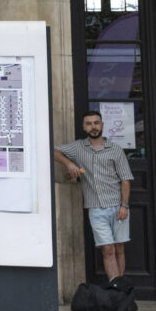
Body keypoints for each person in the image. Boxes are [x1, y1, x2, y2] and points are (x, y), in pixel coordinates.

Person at [53, 111, 135, 284]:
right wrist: (69, 164)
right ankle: (114, 287)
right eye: (89, 123)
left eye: (96, 123)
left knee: (119, 248)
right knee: (107, 249)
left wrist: (124, 205)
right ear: (84, 127)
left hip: (118, 207)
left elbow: (125, 180)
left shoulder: (115, 149)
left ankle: (120, 289)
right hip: (96, 208)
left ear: (102, 125)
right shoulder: (78, 147)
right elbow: (54, 151)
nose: (93, 127)